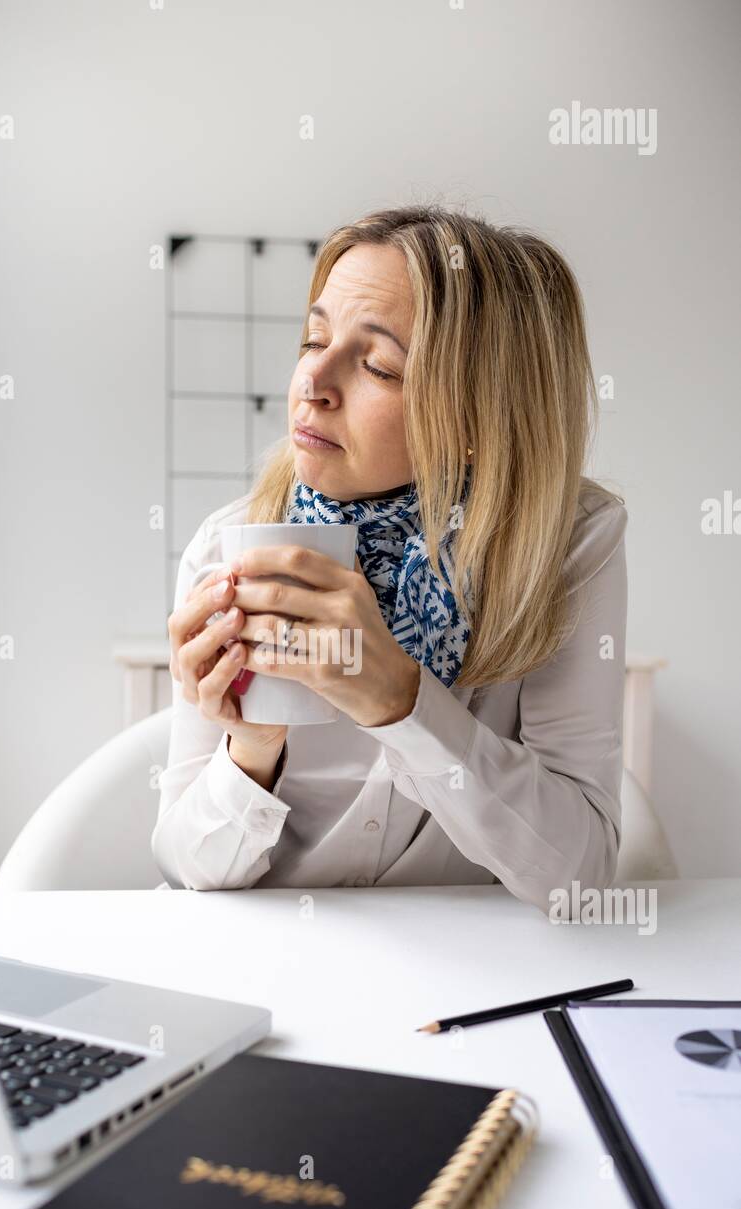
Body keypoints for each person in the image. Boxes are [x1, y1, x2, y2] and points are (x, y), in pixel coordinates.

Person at [152, 205, 627, 914]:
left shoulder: (568, 544)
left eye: (377, 364)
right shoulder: (233, 544)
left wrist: (401, 705)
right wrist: (249, 751)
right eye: (314, 340)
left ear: (477, 417)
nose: (314, 383)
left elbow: (581, 878)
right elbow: (186, 866)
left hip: (481, 987)